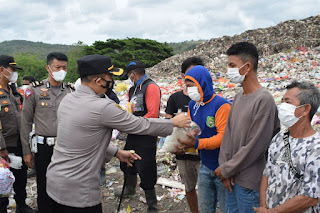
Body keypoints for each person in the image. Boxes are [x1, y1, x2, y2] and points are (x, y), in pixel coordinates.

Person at [45, 54, 190, 213]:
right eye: (110, 76)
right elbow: (138, 124)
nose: (113, 80)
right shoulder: (103, 106)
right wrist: (173, 123)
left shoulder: (68, 100)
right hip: (79, 191)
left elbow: (81, 141)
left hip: (54, 182)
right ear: (98, 80)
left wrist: (116, 152)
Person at [214, 42, 280, 213]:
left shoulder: (263, 100)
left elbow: (255, 146)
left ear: (247, 67)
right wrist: (225, 169)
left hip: (249, 183)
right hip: (231, 179)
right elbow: (228, 136)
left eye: (232, 66)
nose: (229, 71)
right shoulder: (238, 97)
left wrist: (226, 169)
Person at [20, 52, 75, 213]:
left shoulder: (71, 91)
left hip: (66, 147)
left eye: (64, 67)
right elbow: (26, 122)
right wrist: (26, 151)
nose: (61, 70)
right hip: (44, 148)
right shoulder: (34, 90)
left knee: (66, 184)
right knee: (44, 186)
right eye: (57, 67)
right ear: (48, 68)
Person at [254, 81, 320, 213]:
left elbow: (310, 197)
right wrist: (263, 206)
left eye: (288, 102)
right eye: (282, 101)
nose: (282, 106)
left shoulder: (316, 147)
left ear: (306, 109)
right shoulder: (279, 138)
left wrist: (273, 212)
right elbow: (267, 174)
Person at [178, 65, 231, 213]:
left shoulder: (221, 105)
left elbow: (223, 137)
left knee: (227, 209)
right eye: (186, 86)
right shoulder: (192, 105)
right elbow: (192, 128)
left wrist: (197, 143)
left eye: (191, 85)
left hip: (223, 167)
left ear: (202, 83)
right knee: (205, 208)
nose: (188, 90)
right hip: (205, 165)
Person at [114, 60, 161, 212]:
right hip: (134, 132)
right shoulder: (133, 89)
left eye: (129, 75)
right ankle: (130, 189)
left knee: (146, 168)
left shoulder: (151, 87)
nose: (129, 78)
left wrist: (133, 123)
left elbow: (152, 114)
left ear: (133, 73)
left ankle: (152, 205)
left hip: (147, 134)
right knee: (127, 162)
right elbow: (131, 109)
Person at [165, 57, 204, 213]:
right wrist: (175, 148)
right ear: (182, 76)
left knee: (208, 190)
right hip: (183, 154)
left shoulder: (209, 99)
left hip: (204, 154)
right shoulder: (175, 98)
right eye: (190, 74)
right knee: (189, 189)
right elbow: (167, 125)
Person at [0, 55, 37, 213]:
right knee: (3, 180)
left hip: (19, 142)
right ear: (2, 70)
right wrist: (1, 148)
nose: (14, 73)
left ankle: (21, 206)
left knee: (20, 177)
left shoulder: (14, 91)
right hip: (4, 144)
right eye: (12, 69)